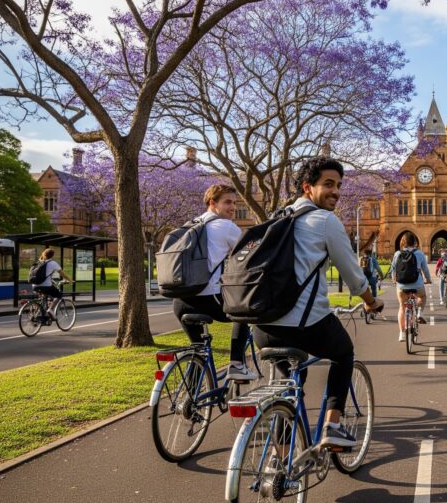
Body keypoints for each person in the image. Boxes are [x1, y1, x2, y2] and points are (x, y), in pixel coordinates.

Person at [251, 156, 385, 448]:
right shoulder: (325, 220)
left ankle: (280, 460)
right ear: (306, 187)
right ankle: (332, 428)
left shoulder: (277, 216)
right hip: (303, 323)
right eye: (328, 184)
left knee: (289, 385)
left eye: (338, 185)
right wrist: (371, 301)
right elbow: (353, 275)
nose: (335, 191)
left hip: (263, 326)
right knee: (343, 353)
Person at [171, 184, 255, 381]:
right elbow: (250, 257)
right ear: (212, 203)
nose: (233, 207)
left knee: (198, 351)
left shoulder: (190, 224)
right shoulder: (226, 227)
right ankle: (237, 364)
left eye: (235, 203)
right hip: (207, 298)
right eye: (227, 202)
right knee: (242, 314)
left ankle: (191, 405)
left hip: (181, 302)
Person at [391, 235, 431, 342]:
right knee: (422, 296)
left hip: (402, 285)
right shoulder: (419, 253)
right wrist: (428, 279)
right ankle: (419, 313)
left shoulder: (397, 254)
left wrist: (394, 280)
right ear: (414, 242)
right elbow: (425, 269)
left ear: (403, 242)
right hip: (417, 284)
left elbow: (393, 269)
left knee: (401, 307)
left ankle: (402, 333)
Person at [33, 248, 73, 317]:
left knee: (42, 298)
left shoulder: (39, 262)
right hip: (46, 286)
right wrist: (70, 280)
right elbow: (63, 275)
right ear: (52, 255)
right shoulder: (53, 263)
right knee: (59, 295)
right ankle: (50, 309)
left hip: (34, 285)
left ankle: (36, 314)